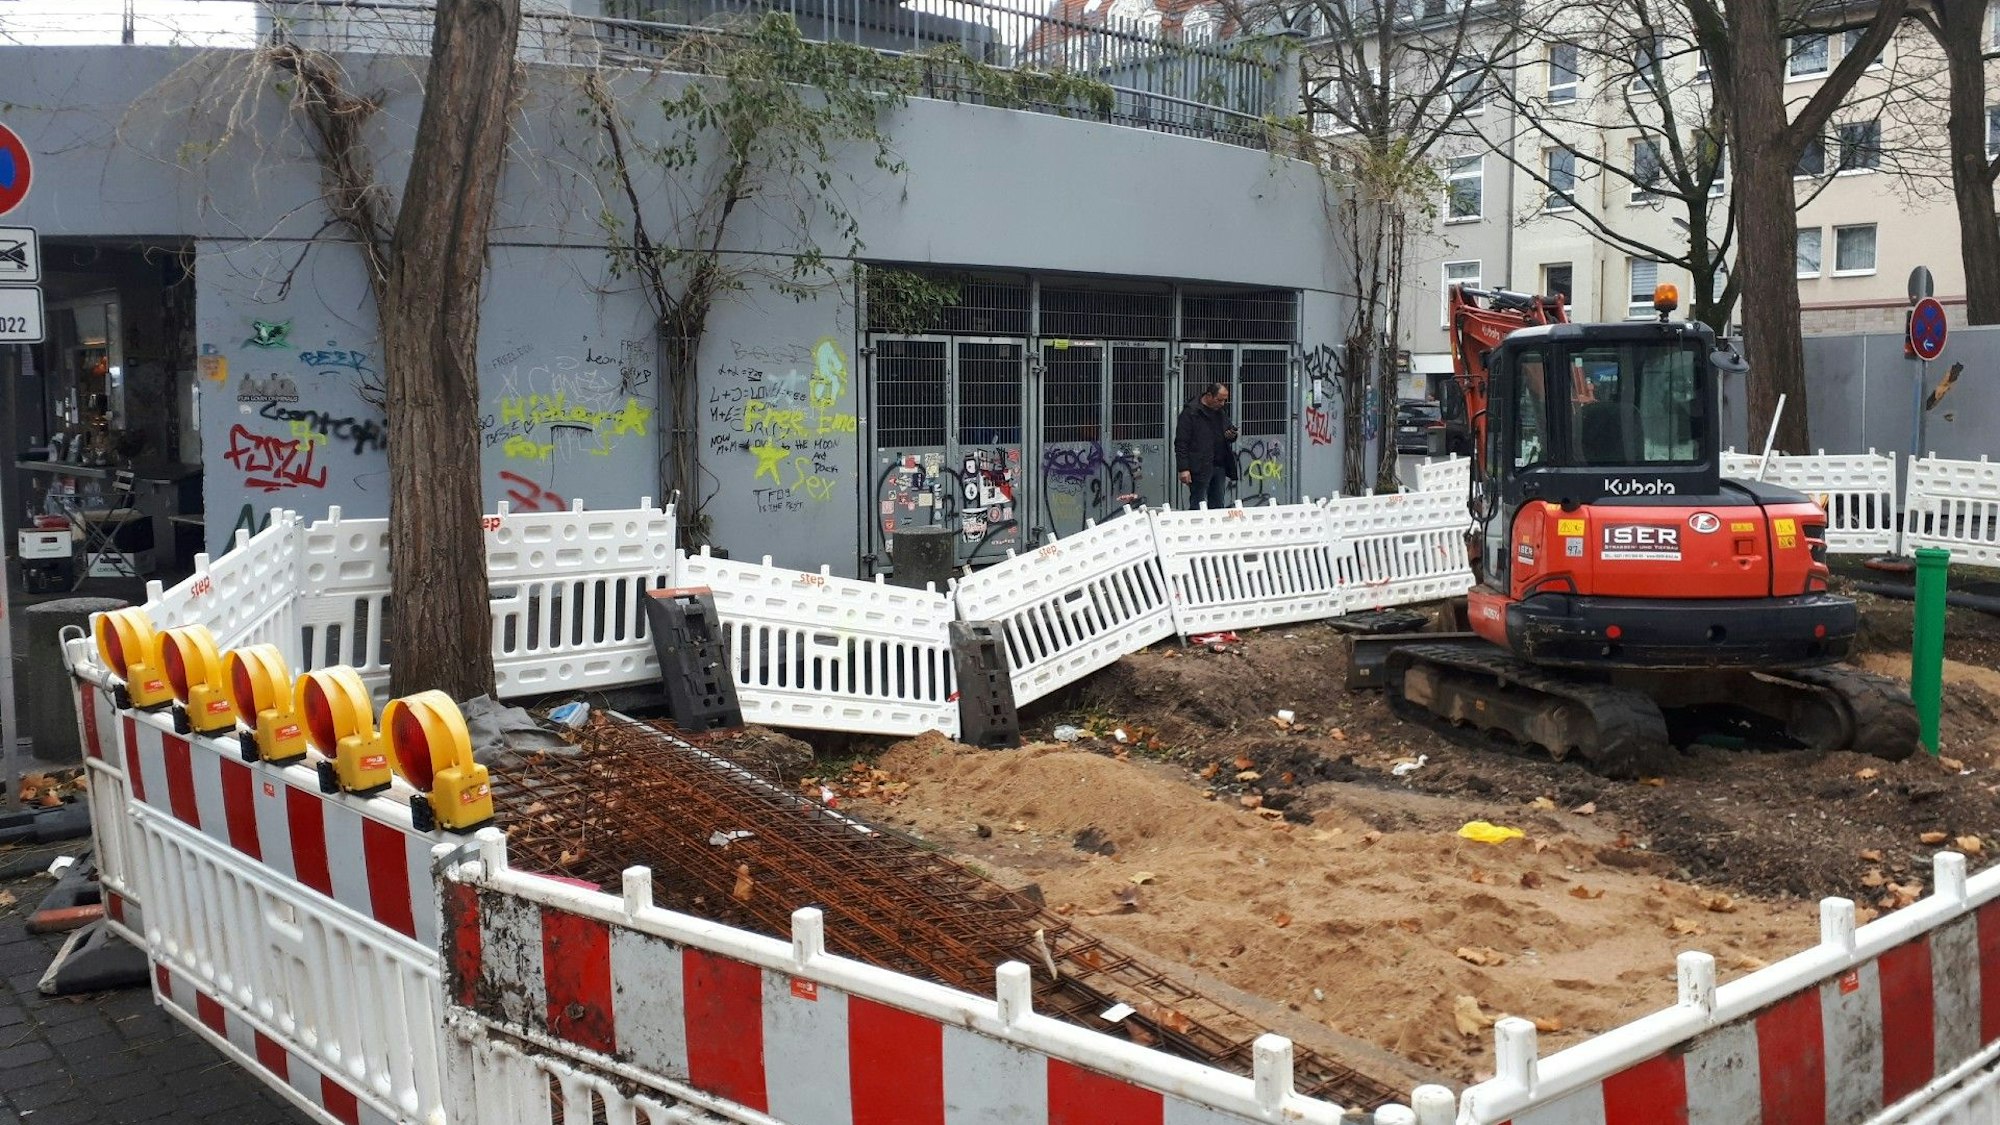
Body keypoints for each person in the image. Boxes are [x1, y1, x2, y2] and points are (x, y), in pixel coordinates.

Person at [1173, 382, 1238, 510]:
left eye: (1225, 400)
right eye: (1219, 400)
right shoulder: (1191, 413)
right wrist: (1183, 469)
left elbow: (1229, 430)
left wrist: (1232, 435)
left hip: (1219, 464)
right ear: (1209, 395)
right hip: (1199, 466)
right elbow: (1181, 442)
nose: (1222, 403)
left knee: (1218, 504)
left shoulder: (1220, 411)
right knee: (1198, 503)